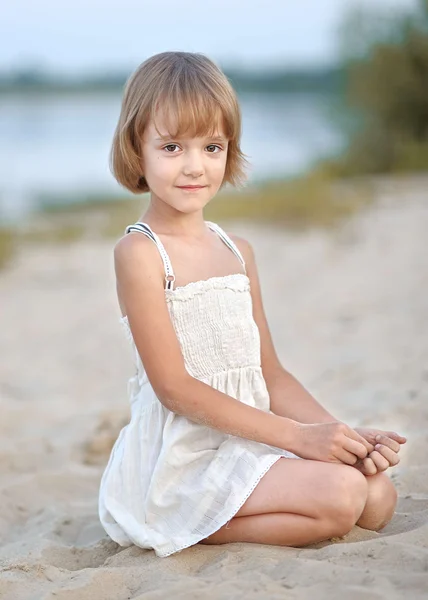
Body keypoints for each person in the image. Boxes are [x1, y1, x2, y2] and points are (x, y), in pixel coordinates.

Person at [98, 51, 407, 558]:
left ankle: (252, 502)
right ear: (137, 149)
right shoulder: (140, 253)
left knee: (376, 497)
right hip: (184, 457)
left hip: (249, 438)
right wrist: (299, 440)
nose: (195, 166)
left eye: (212, 146)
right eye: (172, 146)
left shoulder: (237, 252)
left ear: (229, 150)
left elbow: (272, 375)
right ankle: (178, 521)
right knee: (343, 496)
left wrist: (339, 437)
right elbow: (174, 389)